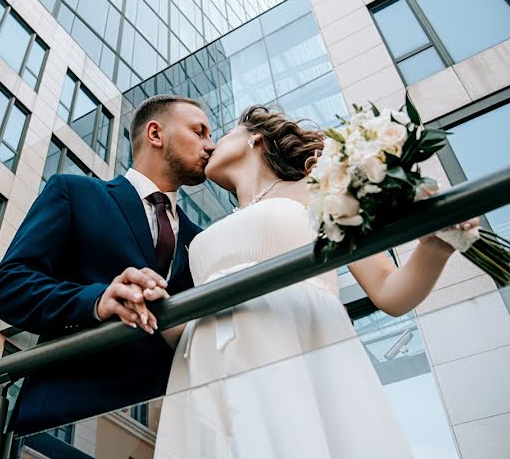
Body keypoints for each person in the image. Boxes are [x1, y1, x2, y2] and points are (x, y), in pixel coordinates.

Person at [152, 105, 477, 458]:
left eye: (222, 135)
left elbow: (388, 290)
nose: (211, 146)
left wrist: (436, 247)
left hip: (292, 357)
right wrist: (154, 306)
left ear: (254, 138)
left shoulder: (319, 189)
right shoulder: (202, 234)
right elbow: (186, 327)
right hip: (210, 375)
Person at [0, 94, 215, 435]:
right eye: (200, 132)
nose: (210, 146)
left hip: (162, 431)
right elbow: (8, 286)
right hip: (60, 425)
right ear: (155, 134)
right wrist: (95, 300)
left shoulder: (201, 241)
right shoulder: (75, 192)